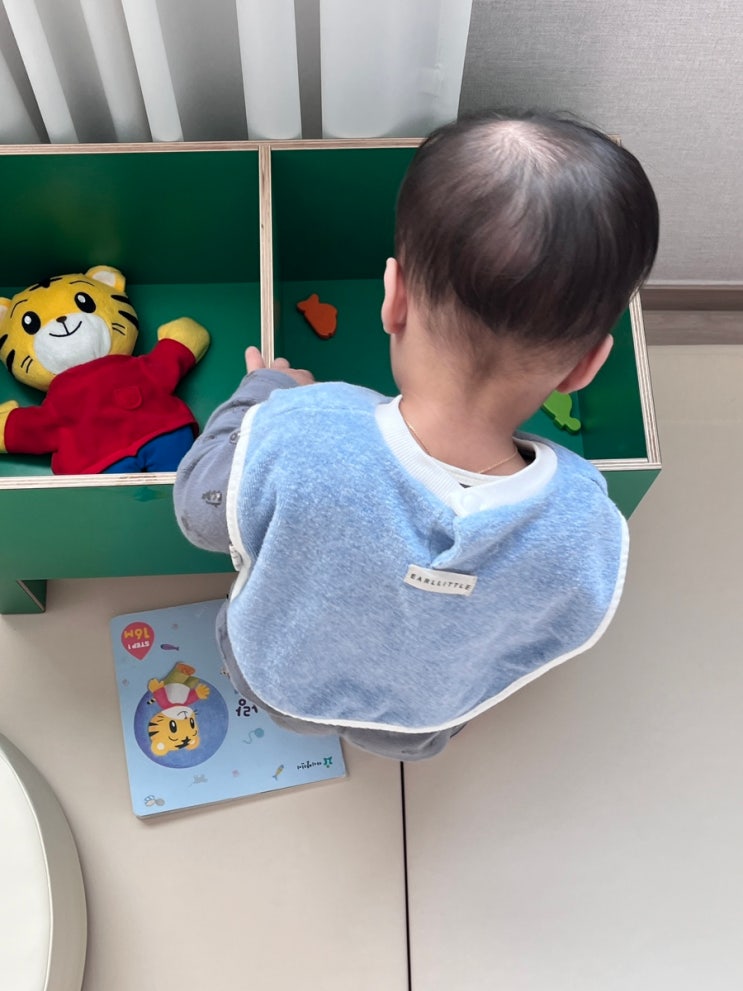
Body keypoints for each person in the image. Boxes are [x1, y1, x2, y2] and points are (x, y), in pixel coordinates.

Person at [174, 110, 659, 760]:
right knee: (413, 732)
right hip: (419, 716)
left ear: (393, 298)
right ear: (585, 367)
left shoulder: (305, 426)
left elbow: (201, 512)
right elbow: (535, 633)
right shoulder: (583, 518)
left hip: (279, 677)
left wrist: (262, 394)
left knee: (252, 660)